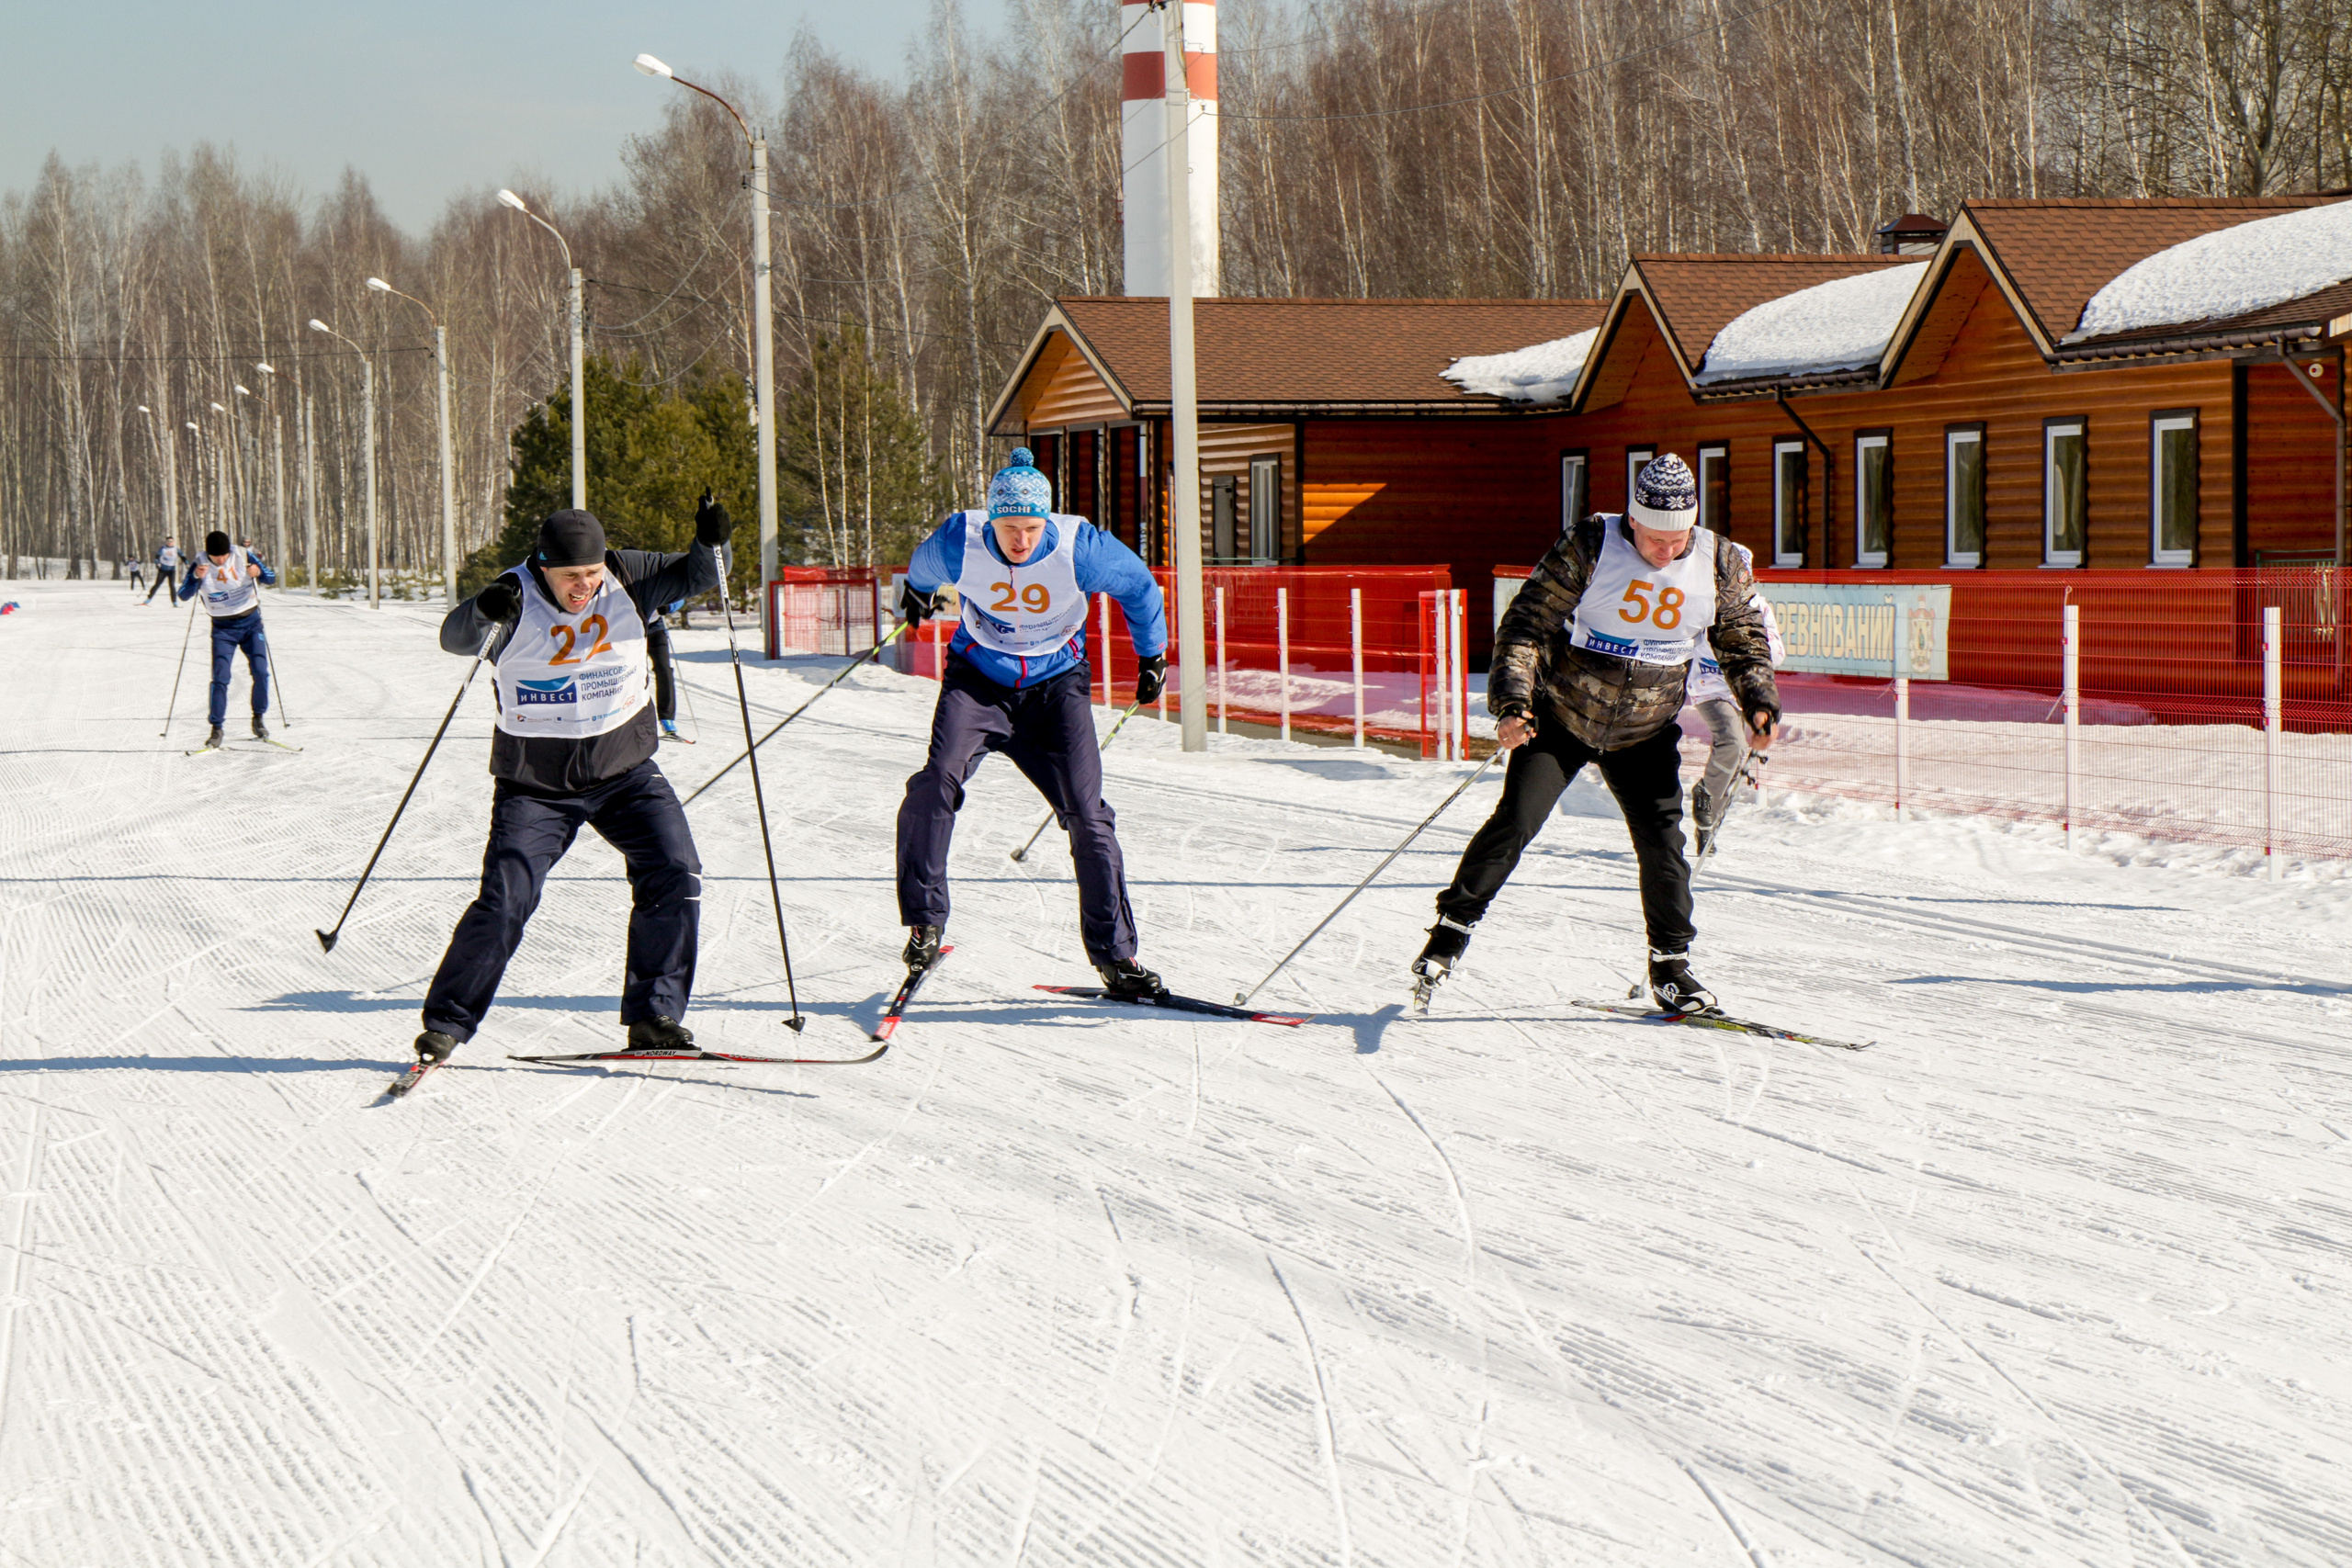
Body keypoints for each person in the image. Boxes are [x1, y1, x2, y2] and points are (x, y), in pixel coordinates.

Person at [1412, 453, 1780, 1014]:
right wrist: (1513, 703)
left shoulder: (1720, 560)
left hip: (1645, 728)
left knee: (1663, 845)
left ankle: (1670, 968)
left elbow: (1743, 642)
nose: (1668, 550)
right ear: (1633, 520)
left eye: (1679, 536)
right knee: (1518, 821)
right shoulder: (1589, 544)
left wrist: (1759, 704)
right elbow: (1526, 624)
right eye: (1656, 538)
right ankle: (1450, 931)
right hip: (1562, 717)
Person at [412, 499, 730, 1066]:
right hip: (535, 784)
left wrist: (711, 541)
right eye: (570, 577)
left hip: (625, 771)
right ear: (543, 566)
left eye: (590, 574)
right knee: (507, 898)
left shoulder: (629, 573)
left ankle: (655, 1016)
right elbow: (456, 639)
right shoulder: (513, 594)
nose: (583, 586)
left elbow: (701, 574)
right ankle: (448, 1024)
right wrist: (484, 610)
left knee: (675, 871)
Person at [894, 446, 1170, 996]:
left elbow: (1139, 586)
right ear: (991, 521)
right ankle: (926, 923)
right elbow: (920, 568)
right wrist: (918, 595)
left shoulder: (1080, 550)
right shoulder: (959, 541)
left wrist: (1152, 655)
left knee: (1089, 817)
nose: (1020, 540)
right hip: (979, 681)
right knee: (936, 782)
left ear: (1046, 521)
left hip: (1056, 690)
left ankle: (1117, 959)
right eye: (1009, 528)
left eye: (1031, 527)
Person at [1687, 548, 1784, 856]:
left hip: (1745, 690)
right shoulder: (1700, 601)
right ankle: (1705, 794)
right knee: (1731, 740)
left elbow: (1776, 652)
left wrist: (1749, 655)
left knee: (1743, 750)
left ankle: (1708, 818)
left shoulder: (1758, 607)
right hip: (1710, 685)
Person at [177, 530, 277, 749]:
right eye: (216, 558)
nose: (220, 561)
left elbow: (271, 578)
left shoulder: (242, 554)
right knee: (221, 678)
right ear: (208, 554)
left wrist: (258, 571)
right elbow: (183, 595)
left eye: (223, 556)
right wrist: (196, 578)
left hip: (251, 623)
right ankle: (216, 728)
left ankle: (258, 718)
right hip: (223, 629)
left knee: (261, 671)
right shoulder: (200, 562)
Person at [145, 537, 180, 604]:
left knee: (172, 585)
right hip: (163, 570)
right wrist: (157, 563)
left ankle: (174, 601)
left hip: (172, 570)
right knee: (157, 584)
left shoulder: (176, 549)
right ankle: (149, 598)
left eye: (171, 541)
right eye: (168, 541)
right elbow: (157, 557)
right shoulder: (163, 549)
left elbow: (182, 556)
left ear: (173, 542)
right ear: (166, 542)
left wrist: (187, 564)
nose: (170, 543)